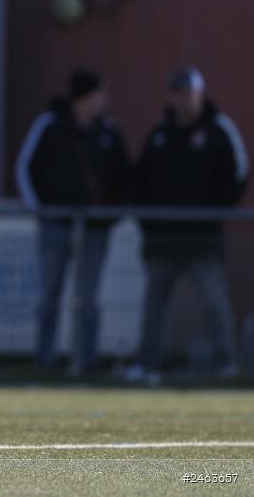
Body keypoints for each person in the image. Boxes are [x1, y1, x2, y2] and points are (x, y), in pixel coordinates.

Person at [126, 66, 248, 384]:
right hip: (164, 236)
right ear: (171, 96)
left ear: (200, 94)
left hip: (202, 237)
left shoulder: (219, 129)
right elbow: (141, 179)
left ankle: (226, 362)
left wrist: (213, 214)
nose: (184, 100)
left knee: (214, 303)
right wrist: (148, 222)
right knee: (155, 304)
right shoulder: (160, 132)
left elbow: (238, 174)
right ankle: (147, 362)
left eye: (190, 93)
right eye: (178, 93)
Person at [15, 68, 131, 375]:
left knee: (88, 298)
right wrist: (40, 210)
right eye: (98, 95)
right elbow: (26, 166)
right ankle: (45, 360)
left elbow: (124, 177)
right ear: (83, 98)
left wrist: (110, 217)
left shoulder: (109, 130)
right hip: (55, 225)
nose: (103, 101)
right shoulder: (50, 125)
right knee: (49, 295)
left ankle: (84, 361)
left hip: (95, 228)